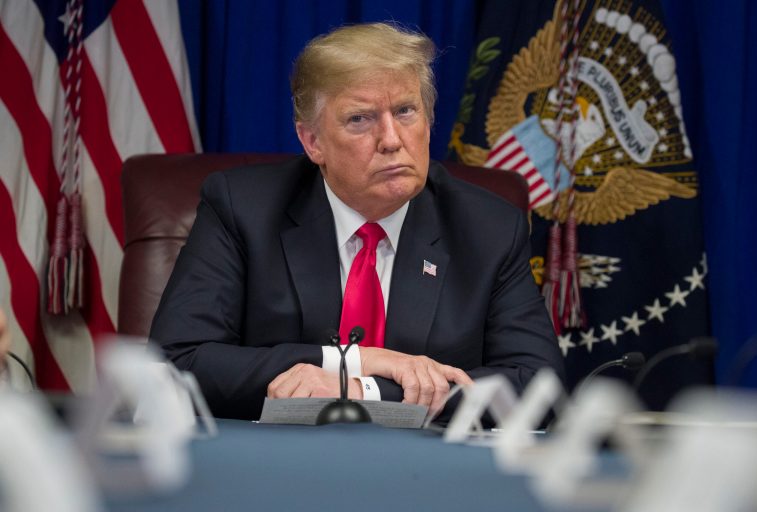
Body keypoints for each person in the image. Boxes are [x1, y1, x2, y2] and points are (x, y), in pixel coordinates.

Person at [151, 22, 564, 422]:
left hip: (423, 474)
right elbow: (176, 362)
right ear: (313, 142)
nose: (391, 140)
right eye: (360, 119)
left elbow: (537, 384)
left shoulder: (487, 228)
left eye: (405, 111)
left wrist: (362, 389)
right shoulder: (243, 209)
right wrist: (359, 360)